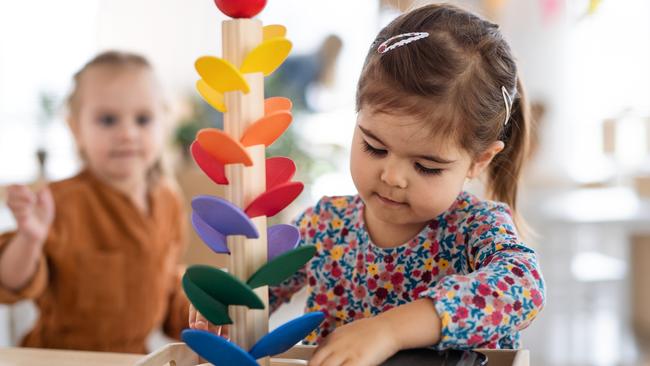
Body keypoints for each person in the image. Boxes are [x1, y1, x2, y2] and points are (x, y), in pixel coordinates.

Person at [190, 4, 546, 365]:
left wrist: (391, 329)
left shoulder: (476, 228)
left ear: (480, 160)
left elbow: (523, 289)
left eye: (426, 166)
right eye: (374, 147)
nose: (391, 176)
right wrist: (227, 299)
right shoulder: (325, 225)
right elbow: (258, 288)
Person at [0, 51, 189, 353]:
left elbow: (166, 282)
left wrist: (199, 314)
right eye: (108, 120)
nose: (127, 133)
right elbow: (9, 282)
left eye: (143, 119)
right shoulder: (60, 202)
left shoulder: (169, 199)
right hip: (59, 358)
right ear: (76, 129)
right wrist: (29, 238)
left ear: (164, 124)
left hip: (133, 358)